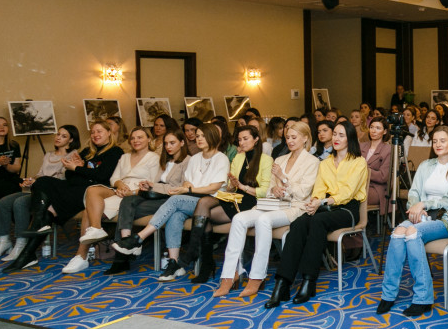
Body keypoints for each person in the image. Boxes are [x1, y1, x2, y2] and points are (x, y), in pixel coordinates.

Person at [265, 122, 368, 308]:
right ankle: (283, 282)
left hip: (347, 209)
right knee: (299, 222)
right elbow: (319, 189)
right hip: (324, 206)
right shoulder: (326, 163)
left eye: (341, 135)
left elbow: (348, 192)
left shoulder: (358, 162)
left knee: (318, 221)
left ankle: (309, 280)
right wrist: (314, 201)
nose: (336, 138)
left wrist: (322, 202)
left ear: (350, 138)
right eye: (334, 134)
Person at [213, 121, 319, 297]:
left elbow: (302, 194)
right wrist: (274, 189)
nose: (290, 141)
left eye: (294, 137)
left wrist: (283, 179)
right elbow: (268, 189)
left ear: (305, 138)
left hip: (295, 207)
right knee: (239, 219)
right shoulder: (280, 159)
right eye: (287, 137)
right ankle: (229, 274)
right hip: (273, 203)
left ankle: (257, 276)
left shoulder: (312, 162)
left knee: (263, 220)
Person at [113, 123, 230, 281]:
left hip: (212, 202)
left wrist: (188, 189)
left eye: (203, 136)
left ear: (213, 137)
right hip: (192, 198)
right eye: (198, 136)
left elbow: (214, 187)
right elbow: (187, 181)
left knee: (174, 200)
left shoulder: (221, 158)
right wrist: (187, 188)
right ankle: (174, 263)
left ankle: (139, 238)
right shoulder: (195, 158)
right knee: (175, 215)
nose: (199, 139)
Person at [4, 121, 124, 271]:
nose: (95, 135)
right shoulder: (88, 151)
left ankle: (29, 249)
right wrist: (79, 169)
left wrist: (79, 168)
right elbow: (69, 174)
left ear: (109, 133)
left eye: (99, 131)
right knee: (42, 182)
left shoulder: (115, 151)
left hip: (94, 193)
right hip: (75, 189)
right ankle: (34, 234)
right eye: (93, 132)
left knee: (50, 208)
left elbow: (102, 176)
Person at [378, 125, 448, 317]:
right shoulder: (425, 165)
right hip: (421, 216)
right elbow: (414, 192)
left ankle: (423, 298)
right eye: (435, 141)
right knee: (397, 233)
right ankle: (388, 294)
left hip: (446, 219)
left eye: (443, 141)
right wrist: (416, 208)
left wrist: (424, 205)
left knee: (412, 233)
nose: (438, 144)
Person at [61, 126, 160, 274]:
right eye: (133, 138)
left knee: (88, 212)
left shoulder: (154, 158)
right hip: (119, 190)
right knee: (92, 190)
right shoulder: (125, 157)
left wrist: (131, 191)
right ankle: (96, 230)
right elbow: (114, 178)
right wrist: (120, 185)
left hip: (138, 194)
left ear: (149, 139)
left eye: (140, 137)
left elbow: (153, 183)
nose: (135, 141)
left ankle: (81, 256)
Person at [183, 124, 272, 284]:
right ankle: (200, 256)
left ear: (256, 139)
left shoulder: (266, 160)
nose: (242, 142)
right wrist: (232, 184)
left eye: (245, 139)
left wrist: (242, 186)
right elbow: (231, 187)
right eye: (239, 139)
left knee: (204, 214)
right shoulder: (238, 158)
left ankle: (201, 258)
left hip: (252, 202)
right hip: (234, 197)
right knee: (204, 206)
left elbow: (264, 191)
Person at [0, 125, 81, 261]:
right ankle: (4, 242)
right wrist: (30, 180)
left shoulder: (73, 155)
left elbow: (67, 179)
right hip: (37, 189)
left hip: (53, 195)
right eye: (58, 134)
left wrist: (41, 181)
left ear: (71, 140)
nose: (58, 138)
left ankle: (21, 244)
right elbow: (40, 174)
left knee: (20, 202)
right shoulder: (48, 154)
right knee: (4, 202)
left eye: (64, 136)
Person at [106, 129, 190, 275]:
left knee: (127, 210)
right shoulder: (165, 160)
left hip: (169, 199)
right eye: (166, 143)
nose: (168, 147)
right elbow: (155, 182)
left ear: (182, 143)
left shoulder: (188, 161)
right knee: (127, 201)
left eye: (172, 143)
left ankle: (122, 256)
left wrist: (153, 186)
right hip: (154, 195)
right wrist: (148, 185)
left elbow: (179, 188)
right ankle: (127, 244)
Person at [361, 117, 394, 219]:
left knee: (353, 196)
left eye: (378, 128)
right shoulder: (361, 146)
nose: (373, 131)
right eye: (372, 127)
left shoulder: (388, 149)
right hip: (359, 184)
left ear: (385, 131)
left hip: (376, 188)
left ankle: (357, 225)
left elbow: (383, 176)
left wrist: (364, 171)